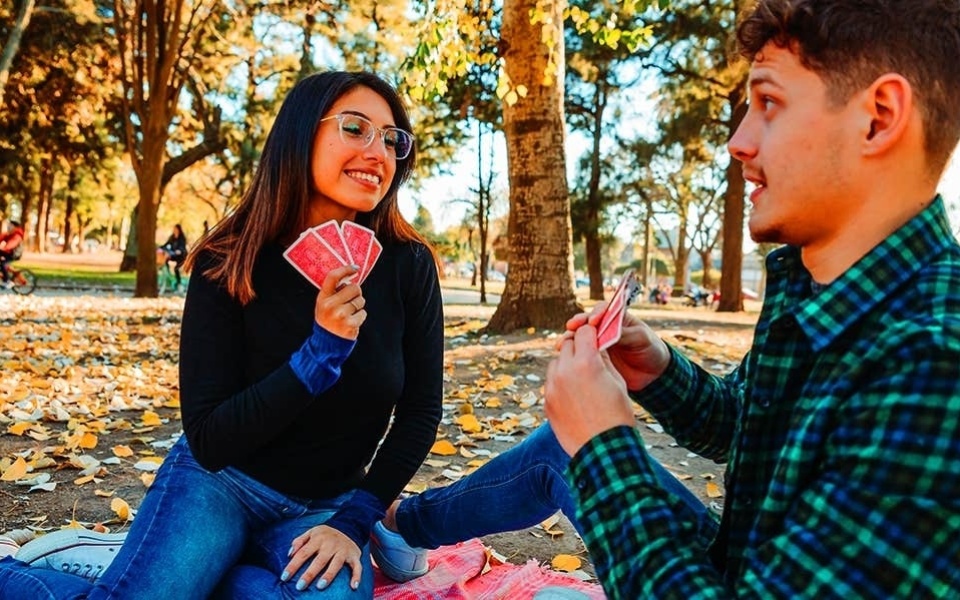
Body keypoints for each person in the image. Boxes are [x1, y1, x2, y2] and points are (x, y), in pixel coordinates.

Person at [371, 0, 960, 597]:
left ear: (879, 118)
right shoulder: (826, 286)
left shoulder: (932, 362)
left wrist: (605, 447)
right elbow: (741, 428)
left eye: (769, 103)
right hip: (748, 560)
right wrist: (656, 368)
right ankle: (398, 525)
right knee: (559, 449)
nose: (738, 142)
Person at [0, 70, 444, 598]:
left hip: (326, 506)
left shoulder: (408, 264)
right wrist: (319, 353)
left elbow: (421, 411)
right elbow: (209, 438)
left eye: (392, 139)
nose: (378, 151)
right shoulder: (226, 260)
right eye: (355, 128)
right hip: (220, 483)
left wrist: (353, 521)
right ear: (301, 134)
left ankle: (198, 573)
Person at [158, 224, 188, 289]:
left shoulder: (182, 238)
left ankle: (179, 282)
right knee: (166, 258)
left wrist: (179, 250)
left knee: (176, 268)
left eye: (176, 229)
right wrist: (160, 248)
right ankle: (168, 272)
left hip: (181, 256)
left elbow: (182, 247)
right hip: (174, 254)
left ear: (179, 230)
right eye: (174, 229)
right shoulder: (172, 238)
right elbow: (166, 245)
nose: (174, 231)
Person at [0, 220, 25, 289]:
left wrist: (3, 248)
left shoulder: (17, 235)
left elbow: (11, 245)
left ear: (14, 227)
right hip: (8, 252)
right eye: (8, 225)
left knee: (3, 263)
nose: (8, 227)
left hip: (15, 254)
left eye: (10, 225)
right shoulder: (9, 234)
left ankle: (8, 281)